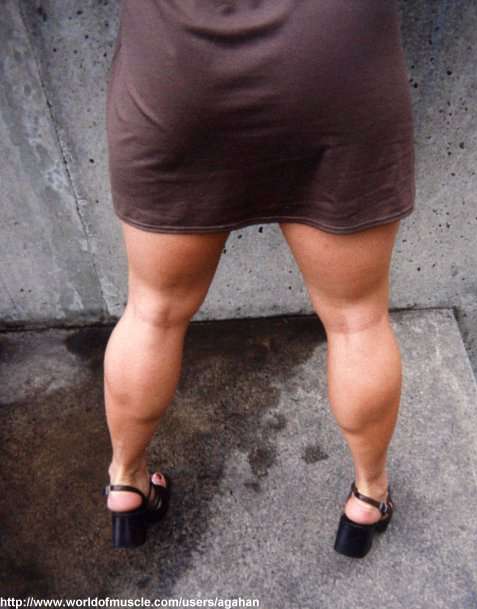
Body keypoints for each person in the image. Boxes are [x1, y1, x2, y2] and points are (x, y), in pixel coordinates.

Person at [102, 0, 415, 558]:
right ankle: (369, 496)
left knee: (153, 311)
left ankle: (126, 482)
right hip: (338, 63)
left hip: (176, 69)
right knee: (357, 319)